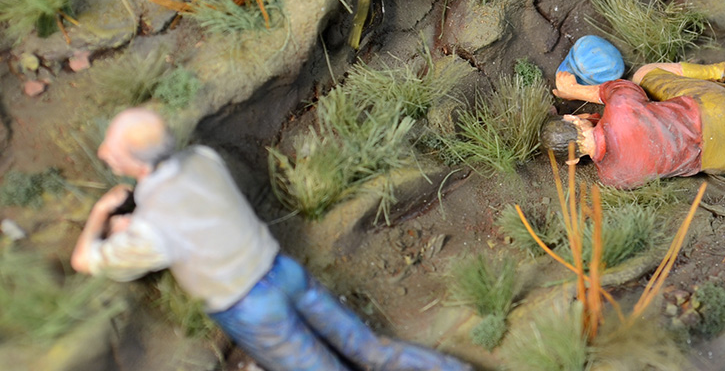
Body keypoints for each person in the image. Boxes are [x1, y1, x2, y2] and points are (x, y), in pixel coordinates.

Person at [71, 108, 472, 371]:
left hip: (251, 307)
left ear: (135, 162)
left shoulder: (153, 228)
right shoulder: (202, 160)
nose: (104, 151)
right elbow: (193, 212)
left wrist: (101, 213)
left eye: (112, 147)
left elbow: (85, 260)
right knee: (370, 349)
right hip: (282, 271)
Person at [541, 37, 725, 188]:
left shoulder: (611, 179)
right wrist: (574, 91)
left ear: (572, 162)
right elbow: (619, 87)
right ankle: (724, 72)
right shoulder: (620, 107)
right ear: (572, 118)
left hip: (723, 159)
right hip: (719, 111)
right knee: (643, 75)